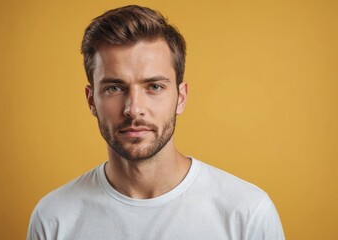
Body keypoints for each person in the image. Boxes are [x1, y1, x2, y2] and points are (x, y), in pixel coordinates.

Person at [27, 5, 285, 240]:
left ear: (181, 98)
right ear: (91, 100)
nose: (134, 109)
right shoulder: (54, 219)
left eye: (154, 86)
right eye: (115, 88)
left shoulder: (247, 213)